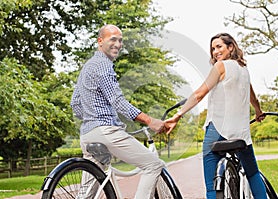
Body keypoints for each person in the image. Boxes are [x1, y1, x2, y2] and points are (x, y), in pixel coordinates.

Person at [165, 33, 267, 198]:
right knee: (253, 174)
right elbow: (252, 96)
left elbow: (199, 94)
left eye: (219, 46)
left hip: (217, 131)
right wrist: (258, 111)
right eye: (213, 48)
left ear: (231, 47)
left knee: (211, 185)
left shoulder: (221, 67)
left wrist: (178, 115)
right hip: (241, 133)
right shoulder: (244, 70)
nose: (215, 52)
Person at [71, 24, 165, 198]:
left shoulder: (88, 66)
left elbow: (75, 103)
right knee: (153, 165)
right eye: (113, 39)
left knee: (86, 193)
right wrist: (150, 121)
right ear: (100, 41)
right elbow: (118, 102)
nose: (118, 44)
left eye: (120, 40)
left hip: (87, 134)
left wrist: (91, 118)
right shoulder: (103, 65)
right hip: (107, 132)